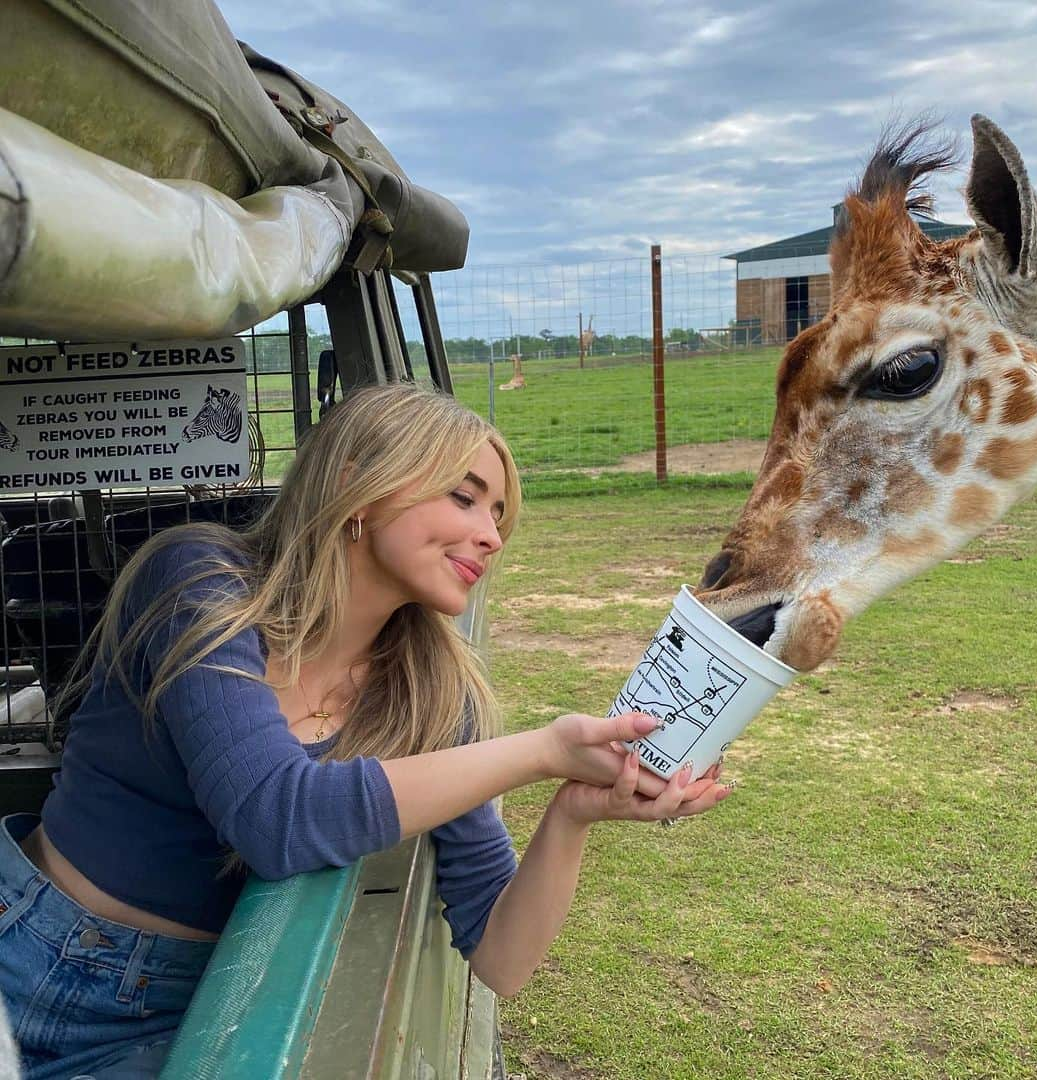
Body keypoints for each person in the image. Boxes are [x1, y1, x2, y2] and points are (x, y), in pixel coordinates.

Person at [0, 383, 731, 1078]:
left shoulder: (435, 698)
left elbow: (502, 961)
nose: (491, 536)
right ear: (359, 484)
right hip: (21, 944)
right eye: (464, 498)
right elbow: (274, 817)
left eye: (498, 516)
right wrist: (541, 751)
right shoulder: (204, 582)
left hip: (174, 1012)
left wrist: (572, 814)